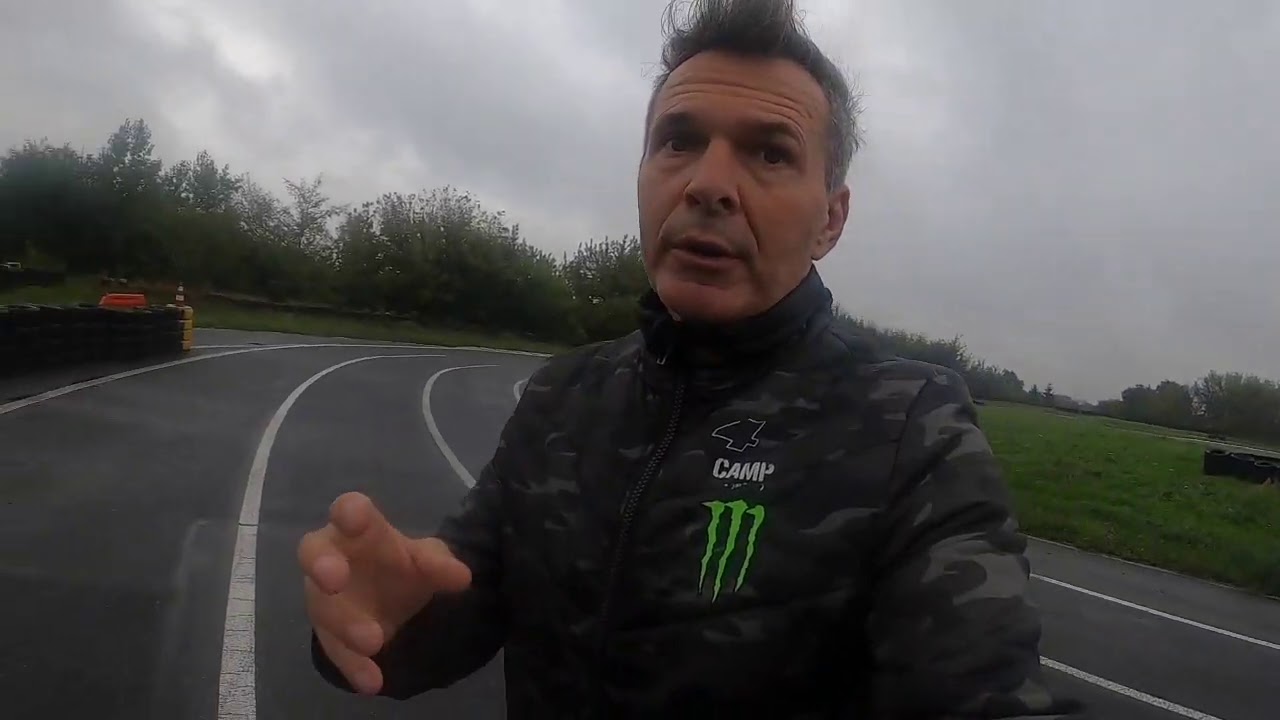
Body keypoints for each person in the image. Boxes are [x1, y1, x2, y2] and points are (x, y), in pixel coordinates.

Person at [299, 0, 1087, 716]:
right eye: (678, 141)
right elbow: (457, 607)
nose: (709, 184)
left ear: (831, 220)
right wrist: (381, 620)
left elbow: (980, 688)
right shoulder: (564, 396)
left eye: (770, 154)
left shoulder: (912, 430)